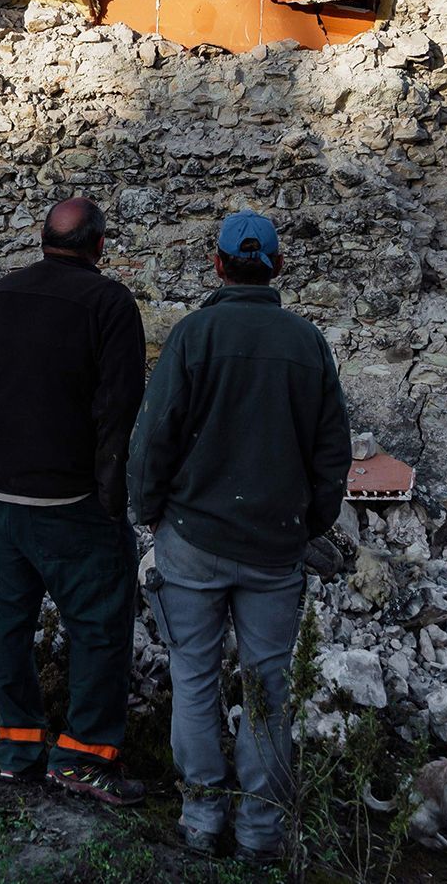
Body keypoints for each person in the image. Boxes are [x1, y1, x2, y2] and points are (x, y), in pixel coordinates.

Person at [127, 209, 351, 860]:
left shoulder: (194, 335)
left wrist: (149, 511)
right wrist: (309, 523)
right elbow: (332, 452)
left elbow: (153, 437)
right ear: (278, 265)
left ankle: (201, 820)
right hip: (275, 550)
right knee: (266, 686)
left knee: (194, 677)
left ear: (218, 264)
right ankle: (259, 830)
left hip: (192, 542)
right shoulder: (307, 343)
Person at [0, 196, 148, 804]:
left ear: (43, 240)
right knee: (98, 623)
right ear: (98, 246)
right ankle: (84, 754)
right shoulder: (110, 304)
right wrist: (109, 500)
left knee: (12, 623)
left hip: (7, 497)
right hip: (72, 501)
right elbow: (118, 410)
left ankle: (18, 748)